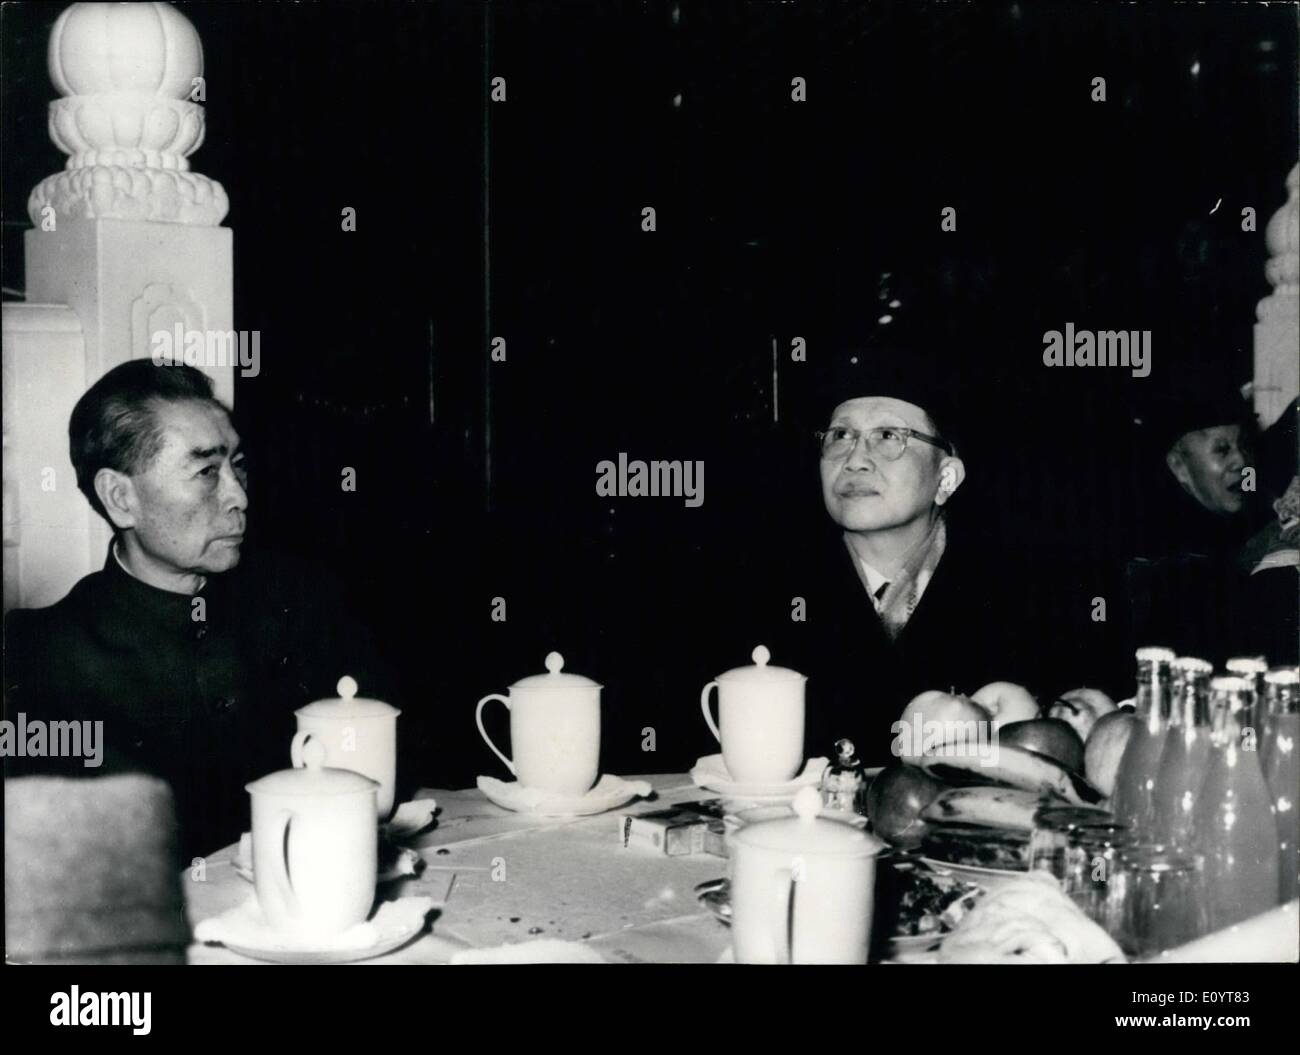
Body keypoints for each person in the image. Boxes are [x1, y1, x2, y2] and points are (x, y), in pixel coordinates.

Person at [3, 361, 394, 860]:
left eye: (238, 465)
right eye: (207, 471)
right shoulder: (39, 658)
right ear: (120, 498)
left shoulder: (301, 600)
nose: (239, 496)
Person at [728, 334, 1100, 762]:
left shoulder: (1024, 595)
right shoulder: (765, 589)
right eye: (840, 436)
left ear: (946, 478)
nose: (855, 459)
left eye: (888, 436)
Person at [1128, 379, 1263, 662]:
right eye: (1223, 449)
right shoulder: (1175, 562)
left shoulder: (1241, 531)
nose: (1241, 460)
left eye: (1242, 446)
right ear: (1179, 467)